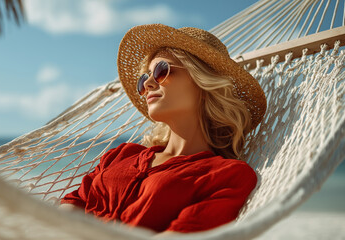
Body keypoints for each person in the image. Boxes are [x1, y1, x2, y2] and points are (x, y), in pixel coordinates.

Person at [59, 24, 267, 235]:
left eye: (161, 71)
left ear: (201, 82)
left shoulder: (227, 175)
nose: (148, 83)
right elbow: (72, 204)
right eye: (144, 77)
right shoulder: (121, 155)